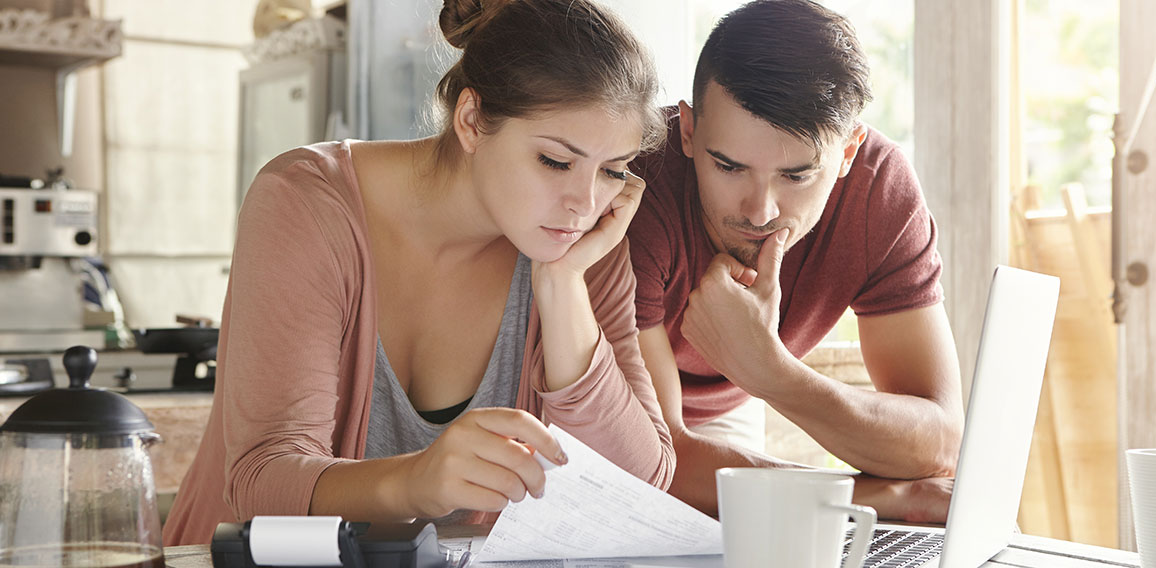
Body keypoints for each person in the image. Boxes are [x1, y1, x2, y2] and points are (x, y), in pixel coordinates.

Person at [163, 0, 675, 546]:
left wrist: (563, 285)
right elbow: (261, 480)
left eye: (615, 170)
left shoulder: (582, 247)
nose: (585, 201)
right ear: (472, 122)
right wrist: (417, 481)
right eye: (555, 161)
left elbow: (643, 483)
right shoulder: (304, 203)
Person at [627, 0, 963, 522]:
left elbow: (939, 442)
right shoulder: (635, 183)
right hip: (613, 429)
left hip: (731, 410)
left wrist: (770, 371)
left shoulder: (879, 189)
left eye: (797, 175)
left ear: (849, 151)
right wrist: (880, 500)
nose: (760, 211)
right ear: (688, 131)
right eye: (728, 166)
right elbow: (656, 461)